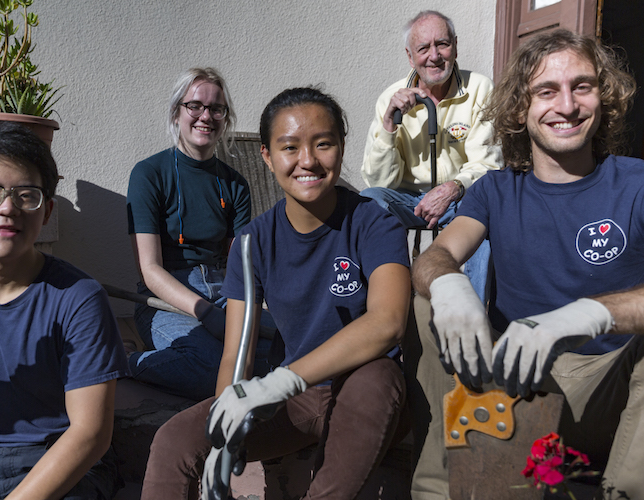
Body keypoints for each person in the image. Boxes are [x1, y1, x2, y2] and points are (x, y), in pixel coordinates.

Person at [411, 29, 644, 499]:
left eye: (583, 87)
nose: (567, 106)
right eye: (546, 91)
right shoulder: (495, 190)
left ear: (603, 97)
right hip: (514, 384)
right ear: (519, 108)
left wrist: (584, 315)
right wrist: (449, 286)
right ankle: (441, 490)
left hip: (608, 390)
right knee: (427, 305)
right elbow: (436, 256)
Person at [140, 87, 411, 499]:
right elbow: (237, 350)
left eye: (323, 144)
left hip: (366, 400)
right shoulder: (253, 241)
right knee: (175, 439)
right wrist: (222, 434)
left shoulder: (373, 224)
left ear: (340, 147)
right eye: (290, 147)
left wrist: (281, 381)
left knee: (376, 375)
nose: (308, 161)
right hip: (295, 401)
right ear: (267, 156)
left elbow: (387, 323)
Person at [0, 122, 130, 500]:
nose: (7, 208)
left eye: (26, 195)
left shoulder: (78, 299)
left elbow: (90, 434)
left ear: (46, 210)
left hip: (60, 462)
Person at [126, 67, 270, 401]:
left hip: (222, 290)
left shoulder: (234, 183)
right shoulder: (149, 174)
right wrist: (204, 312)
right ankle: (128, 360)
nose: (206, 116)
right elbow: (149, 269)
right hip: (164, 299)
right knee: (212, 369)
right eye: (195, 106)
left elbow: (240, 263)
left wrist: (235, 309)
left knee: (280, 354)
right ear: (177, 113)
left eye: (216, 109)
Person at [360, 10, 502, 302]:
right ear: (410, 57)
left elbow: (488, 163)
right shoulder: (392, 97)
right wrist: (389, 126)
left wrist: (453, 188)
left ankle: (470, 319)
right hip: (409, 199)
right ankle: (391, 303)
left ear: (456, 45)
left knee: (489, 212)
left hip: (463, 197)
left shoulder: (479, 88)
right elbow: (379, 181)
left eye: (442, 44)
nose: (434, 56)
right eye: (423, 48)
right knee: (371, 202)